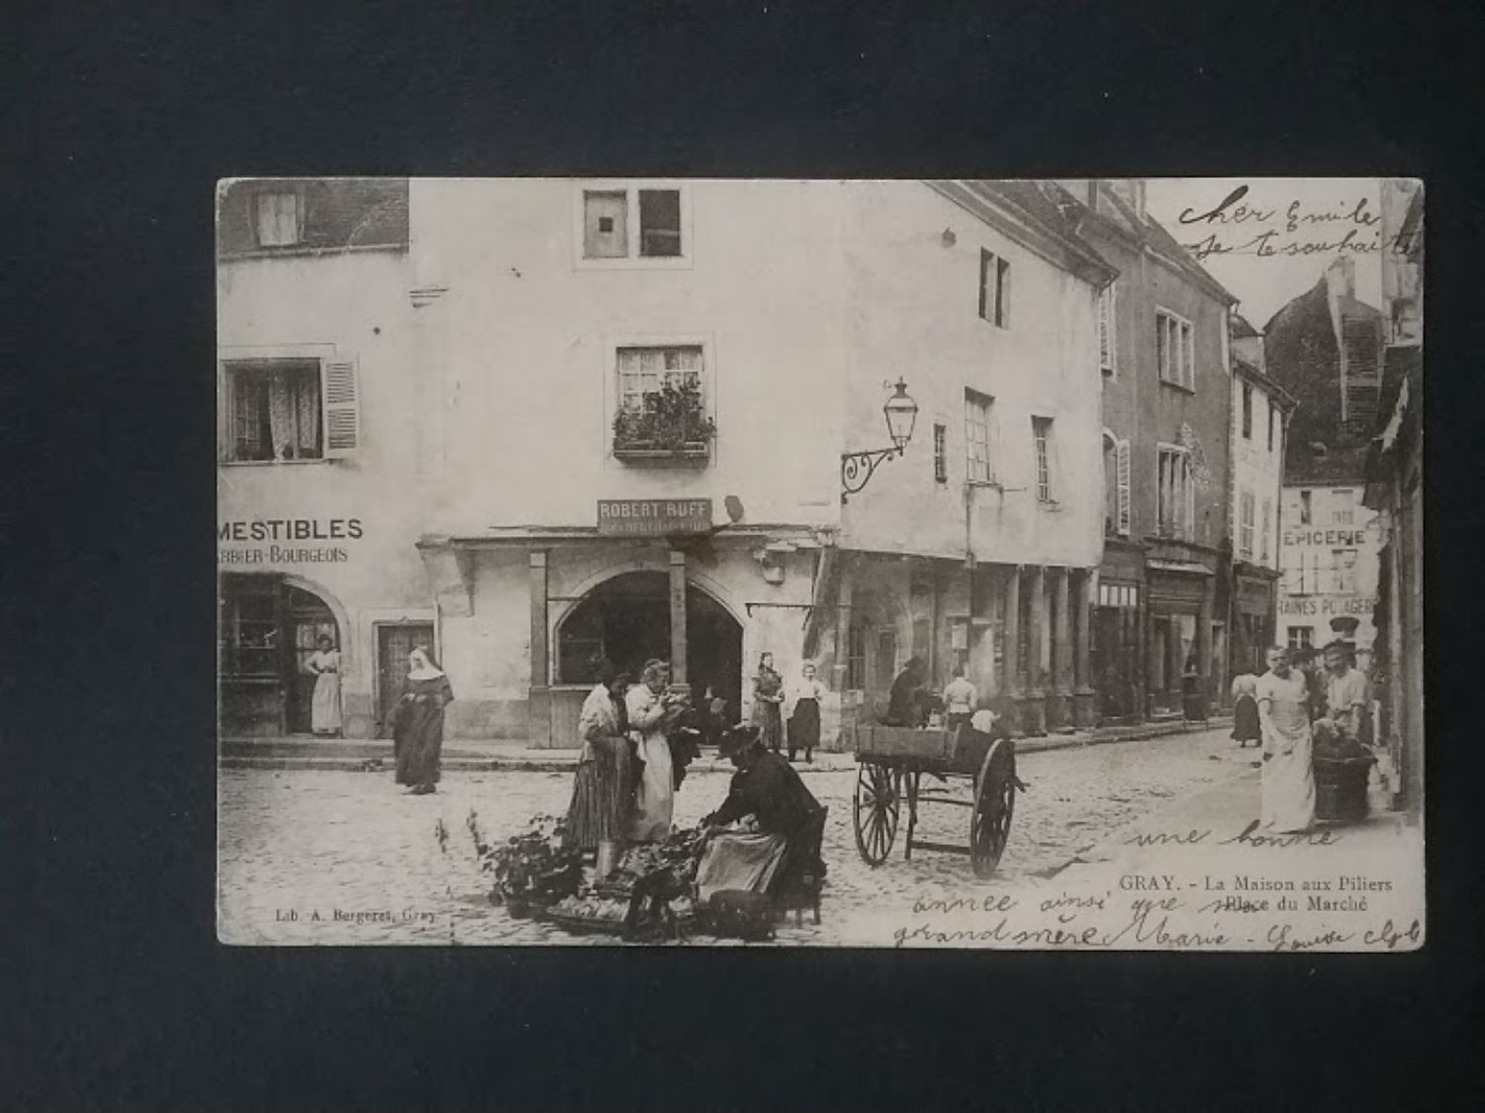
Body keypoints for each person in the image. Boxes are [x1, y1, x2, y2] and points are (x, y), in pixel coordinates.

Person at [695, 724, 825, 904]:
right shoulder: (763, 765)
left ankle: (725, 887)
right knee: (727, 837)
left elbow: (766, 812)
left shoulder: (766, 773)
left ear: (746, 752)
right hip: (786, 827)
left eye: (734, 757)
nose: (733, 763)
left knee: (723, 845)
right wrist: (716, 820)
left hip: (785, 836)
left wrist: (743, 827)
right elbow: (735, 803)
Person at [562, 663, 633, 877]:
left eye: (625, 685)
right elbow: (587, 730)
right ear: (609, 681)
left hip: (612, 762)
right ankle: (586, 853)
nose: (623, 688)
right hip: (596, 761)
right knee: (593, 806)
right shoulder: (597, 699)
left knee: (608, 807)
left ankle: (604, 856)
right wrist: (612, 745)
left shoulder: (617, 699)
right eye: (620, 683)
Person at [1255, 646, 1315, 832]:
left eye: (1283, 658)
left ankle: (1300, 822)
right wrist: (1280, 740)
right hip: (1276, 737)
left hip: (1301, 733)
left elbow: (1304, 703)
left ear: (1289, 659)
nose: (1280, 662)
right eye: (1274, 659)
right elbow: (1264, 716)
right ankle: (1277, 821)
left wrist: (1308, 727)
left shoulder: (1298, 676)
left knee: (1302, 778)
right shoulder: (1264, 682)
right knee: (1278, 780)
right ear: (1267, 662)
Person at [626, 659, 685, 842]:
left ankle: (660, 831)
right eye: (662, 679)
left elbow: (662, 721)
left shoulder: (659, 694)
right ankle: (642, 834)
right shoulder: (636, 695)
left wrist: (675, 711)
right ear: (650, 679)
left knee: (663, 790)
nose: (665, 684)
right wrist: (661, 707)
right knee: (648, 790)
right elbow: (640, 722)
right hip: (642, 746)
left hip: (658, 743)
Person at [392, 648, 454, 795]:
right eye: (414, 661)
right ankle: (416, 782)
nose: (416, 663)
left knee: (429, 750)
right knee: (411, 751)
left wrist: (428, 699)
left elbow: (447, 695)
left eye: (419, 660)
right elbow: (402, 696)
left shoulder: (439, 678)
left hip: (431, 719)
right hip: (412, 720)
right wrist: (409, 698)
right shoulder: (410, 678)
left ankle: (427, 782)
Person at [1322, 641, 1369, 745]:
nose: (1335, 664)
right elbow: (1331, 708)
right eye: (1331, 660)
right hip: (1338, 727)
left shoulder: (1356, 677)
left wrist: (1354, 733)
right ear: (1327, 663)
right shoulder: (1333, 680)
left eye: (1338, 659)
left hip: (1355, 724)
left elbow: (1358, 707)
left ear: (1345, 659)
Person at [303, 634, 342, 737]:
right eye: (323, 645)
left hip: (332, 678)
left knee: (332, 701)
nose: (325, 647)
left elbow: (339, 669)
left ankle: (331, 727)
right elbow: (306, 663)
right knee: (319, 701)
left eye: (327, 645)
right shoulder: (317, 654)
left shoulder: (335, 654)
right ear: (320, 645)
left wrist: (339, 678)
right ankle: (319, 726)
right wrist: (316, 672)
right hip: (322, 678)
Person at [786, 662, 825, 763]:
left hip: (812, 706)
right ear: (804, 673)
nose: (810, 674)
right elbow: (792, 693)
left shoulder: (816, 683)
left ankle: (808, 754)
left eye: (812, 672)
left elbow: (821, 695)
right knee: (797, 729)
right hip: (801, 706)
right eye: (807, 672)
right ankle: (792, 755)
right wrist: (791, 707)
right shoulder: (799, 682)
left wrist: (818, 694)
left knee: (811, 730)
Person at [751, 652, 786, 753]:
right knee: (763, 729)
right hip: (763, 707)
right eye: (768, 660)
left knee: (775, 729)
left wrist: (781, 696)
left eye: (771, 660)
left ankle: (775, 753)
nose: (770, 662)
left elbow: (780, 690)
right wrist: (769, 699)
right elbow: (755, 693)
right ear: (762, 661)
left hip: (774, 707)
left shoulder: (776, 675)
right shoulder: (758, 675)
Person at [885, 656, 930, 727]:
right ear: (914, 668)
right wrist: (917, 690)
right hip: (899, 714)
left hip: (909, 714)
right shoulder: (904, 677)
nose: (921, 671)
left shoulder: (916, 678)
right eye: (919, 669)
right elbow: (904, 694)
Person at [941, 663, 978, 733]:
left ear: (953, 675)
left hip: (953, 713)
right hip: (966, 713)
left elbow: (944, 701)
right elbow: (973, 705)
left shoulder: (949, 687)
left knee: (952, 734)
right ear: (964, 674)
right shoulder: (970, 687)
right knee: (965, 734)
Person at [1230, 673, 1261, 749]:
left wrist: (1236, 697)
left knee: (1242, 720)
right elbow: (1259, 690)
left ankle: (1243, 740)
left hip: (1242, 700)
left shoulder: (1238, 679)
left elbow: (1235, 691)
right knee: (1254, 719)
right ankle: (1258, 738)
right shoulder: (1255, 678)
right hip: (1252, 700)